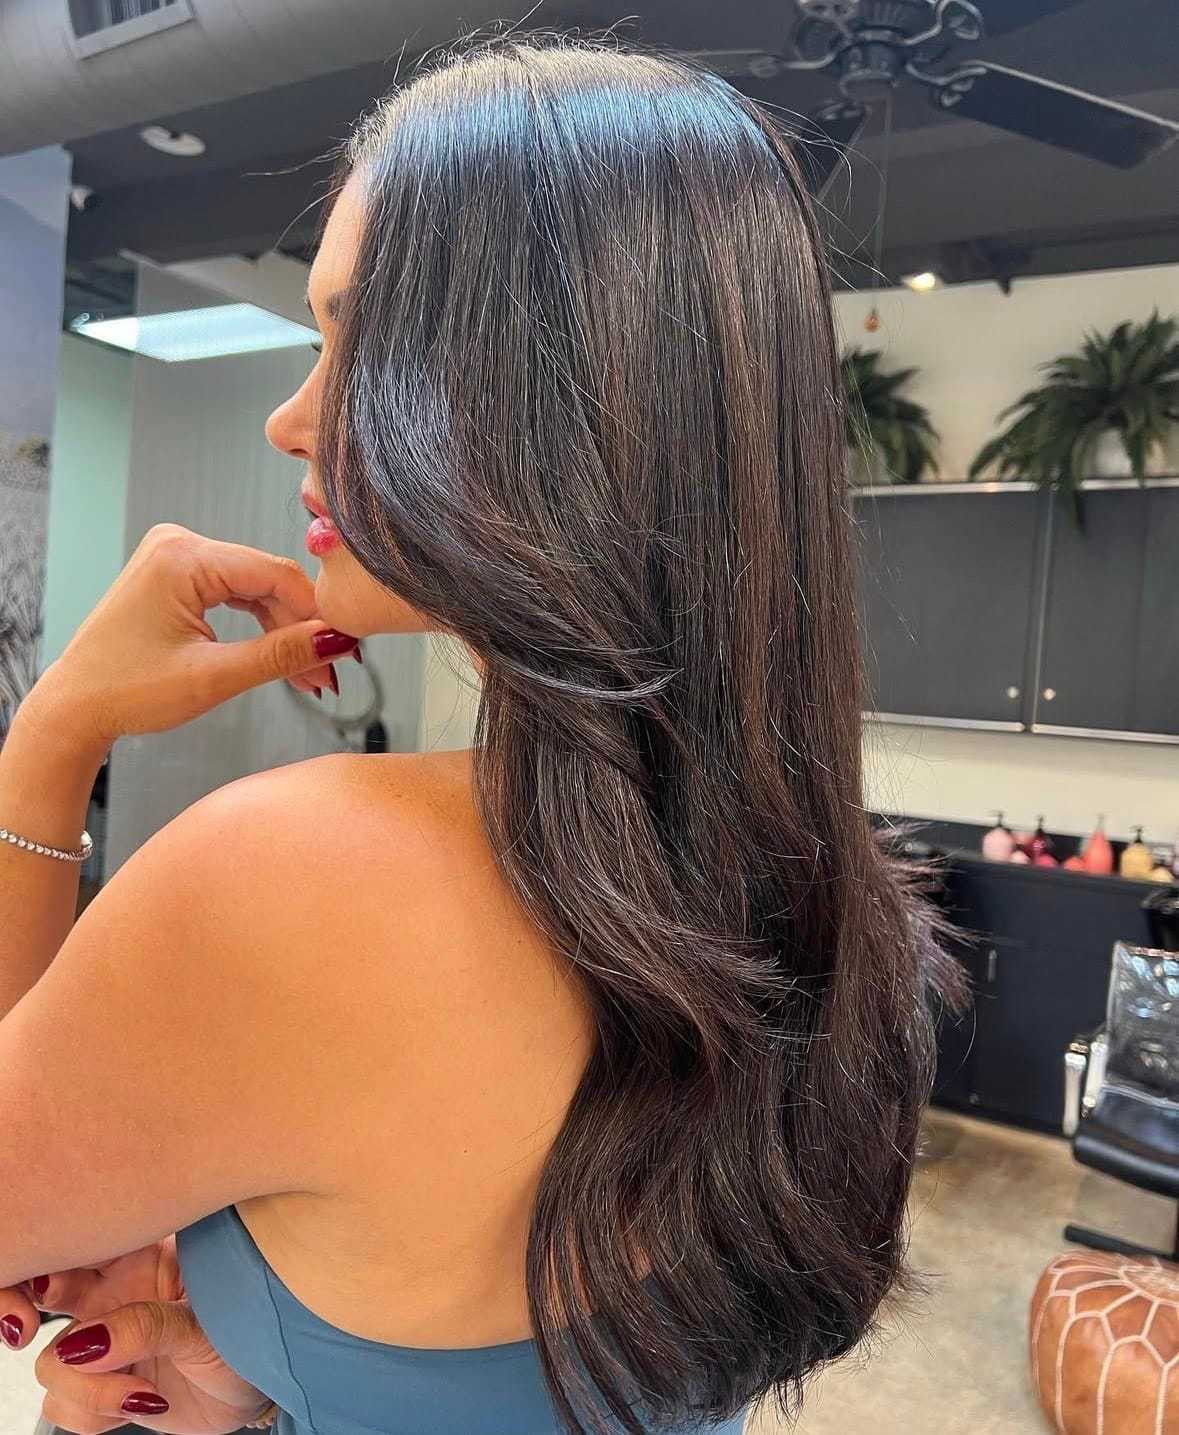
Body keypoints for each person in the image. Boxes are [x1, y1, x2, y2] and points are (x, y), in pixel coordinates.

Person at [0, 32, 958, 1435]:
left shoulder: (290, 879)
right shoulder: (839, 909)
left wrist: (49, 745)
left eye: (357, 340)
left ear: (558, 392)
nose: (289, 418)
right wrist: (268, 1360)